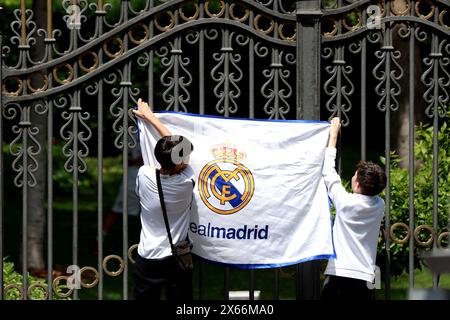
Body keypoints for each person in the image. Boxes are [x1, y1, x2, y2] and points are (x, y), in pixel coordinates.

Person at [132, 98, 195, 301]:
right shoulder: (187, 181)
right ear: (180, 165)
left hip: (148, 257)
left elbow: (171, 150)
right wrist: (152, 118)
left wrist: (148, 117)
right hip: (176, 258)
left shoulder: (144, 174)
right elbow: (173, 143)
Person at [321, 117, 387, 301]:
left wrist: (333, 135)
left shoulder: (345, 202)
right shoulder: (379, 205)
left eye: (354, 175)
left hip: (339, 275)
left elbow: (328, 171)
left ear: (357, 184)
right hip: (365, 277)